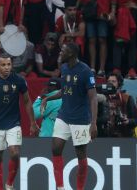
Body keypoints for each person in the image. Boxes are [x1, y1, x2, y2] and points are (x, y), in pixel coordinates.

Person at [40, 42, 97, 190]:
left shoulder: (85, 71)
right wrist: (47, 98)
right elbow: (64, 91)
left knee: (81, 155)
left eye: (63, 51)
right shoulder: (64, 68)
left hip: (80, 119)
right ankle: (60, 187)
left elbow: (93, 98)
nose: (60, 53)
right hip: (64, 116)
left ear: (71, 54)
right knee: (56, 148)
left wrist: (94, 123)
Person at [0, 53, 38, 190]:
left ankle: (9, 184)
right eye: (3, 65)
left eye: (9, 64)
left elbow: (27, 101)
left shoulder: (19, 80)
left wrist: (33, 122)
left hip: (13, 124)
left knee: (15, 152)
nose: (7, 67)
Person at [78, 0, 116, 77]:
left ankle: (102, 68)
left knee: (102, 39)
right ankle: (93, 68)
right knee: (92, 40)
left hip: (103, 11)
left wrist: (113, 12)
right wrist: (80, 9)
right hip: (89, 11)